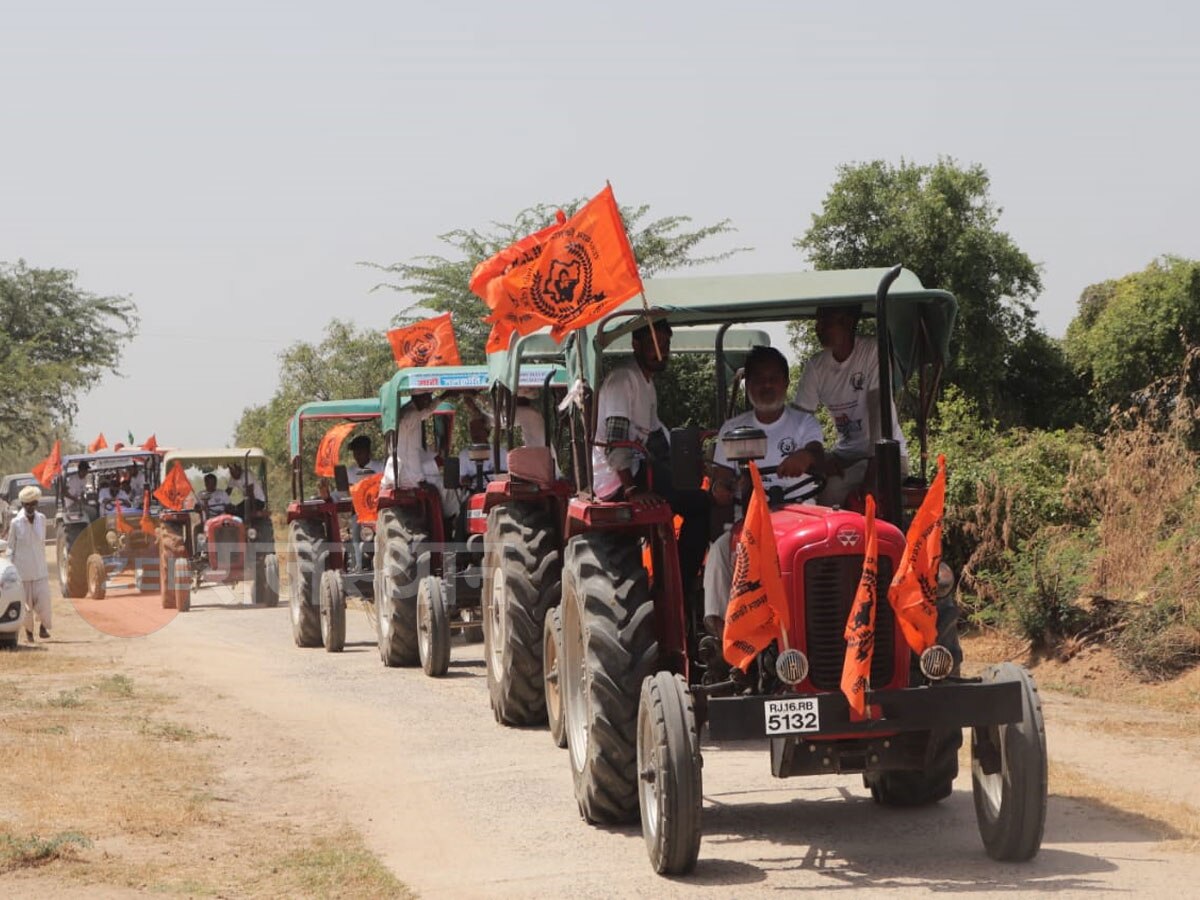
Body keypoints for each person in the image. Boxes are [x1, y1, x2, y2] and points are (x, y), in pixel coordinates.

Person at [702, 346, 825, 637]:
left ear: (785, 382)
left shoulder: (803, 423)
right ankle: (725, 637)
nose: (766, 385)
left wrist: (803, 459)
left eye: (773, 378)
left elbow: (816, 453)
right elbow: (721, 477)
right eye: (759, 379)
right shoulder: (733, 429)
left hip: (802, 518)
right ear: (748, 385)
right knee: (720, 551)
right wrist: (722, 487)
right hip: (752, 520)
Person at [592, 318, 710, 593]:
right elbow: (617, 440)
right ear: (635, 344)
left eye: (666, 344)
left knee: (697, 488)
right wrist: (633, 490)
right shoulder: (624, 380)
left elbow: (658, 436)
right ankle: (678, 587)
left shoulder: (646, 383)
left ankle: (687, 582)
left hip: (638, 471)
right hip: (618, 479)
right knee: (701, 505)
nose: (661, 351)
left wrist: (695, 451)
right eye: (653, 344)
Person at [793, 305, 909, 507]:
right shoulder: (816, 366)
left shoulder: (872, 352)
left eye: (826, 322)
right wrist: (818, 460)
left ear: (847, 323)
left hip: (886, 456)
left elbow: (878, 412)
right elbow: (800, 420)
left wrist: (872, 477)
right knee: (800, 484)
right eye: (818, 322)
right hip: (845, 454)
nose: (819, 328)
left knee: (830, 490)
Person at [7, 485, 51, 642]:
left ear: (36, 504)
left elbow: (41, 544)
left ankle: (44, 627)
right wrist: (11, 569)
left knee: (44, 602)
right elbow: (11, 547)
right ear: (23, 505)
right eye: (27, 504)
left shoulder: (42, 519)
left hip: (40, 570)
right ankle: (29, 633)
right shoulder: (16, 523)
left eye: (33, 504)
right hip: (23, 572)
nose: (30, 507)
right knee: (26, 606)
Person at [345, 435, 383, 569]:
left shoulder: (380, 467)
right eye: (355, 452)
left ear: (368, 451)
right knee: (355, 528)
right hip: (360, 513)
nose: (357, 455)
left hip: (379, 511)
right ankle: (358, 564)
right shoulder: (350, 472)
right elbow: (347, 491)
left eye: (360, 451)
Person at [458, 416, 507, 488]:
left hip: (496, 491)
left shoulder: (500, 452)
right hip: (473, 491)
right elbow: (462, 478)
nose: (475, 433)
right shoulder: (464, 455)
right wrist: (466, 480)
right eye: (472, 429)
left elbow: (505, 476)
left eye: (478, 429)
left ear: (487, 432)